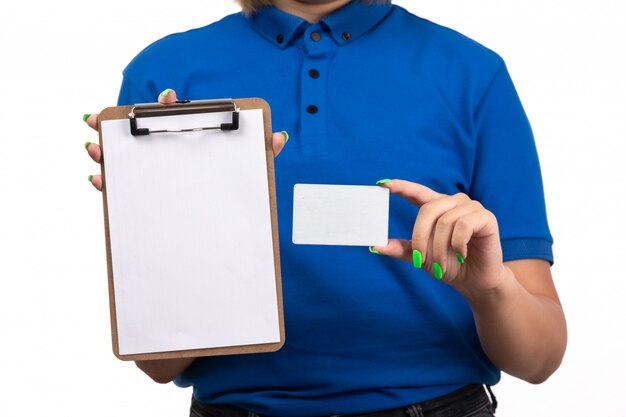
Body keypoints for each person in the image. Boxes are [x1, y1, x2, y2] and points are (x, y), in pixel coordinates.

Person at [84, 1, 567, 416]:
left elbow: (540, 358)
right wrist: (182, 226)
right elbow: (158, 364)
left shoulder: (471, 72)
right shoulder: (165, 71)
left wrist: (490, 292)